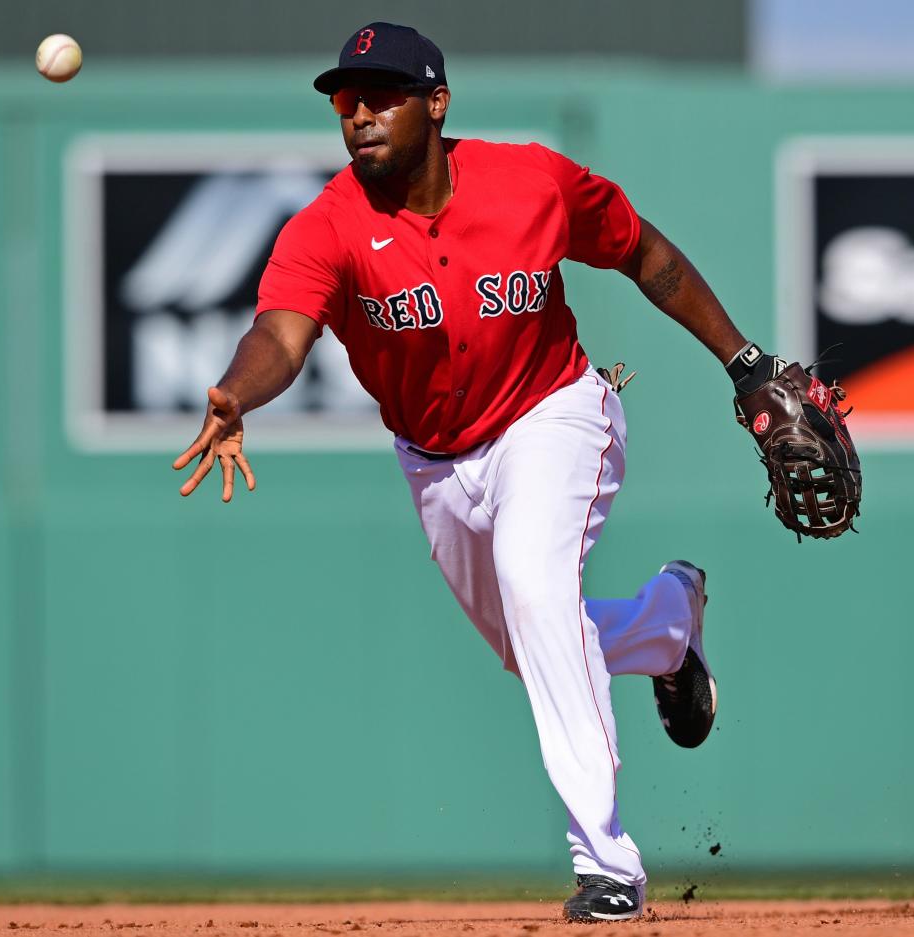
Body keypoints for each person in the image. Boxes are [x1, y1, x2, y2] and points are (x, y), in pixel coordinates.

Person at [174, 22, 770, 922]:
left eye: (383, 94)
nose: (360, 113)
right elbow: (280, 335)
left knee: (537, 593)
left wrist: (745, 364)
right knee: (525, 648)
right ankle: (666, 626)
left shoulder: (532, 181)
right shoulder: (326, 226)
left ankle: (607, 862)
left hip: (556, 413)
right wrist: (236, 392)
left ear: (437, 102)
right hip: (437, 459)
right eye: (346, 99)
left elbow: (649, 255)